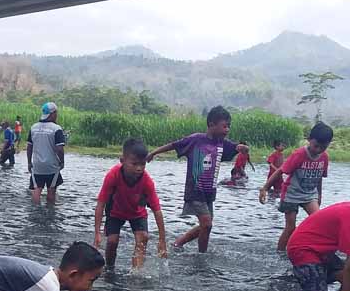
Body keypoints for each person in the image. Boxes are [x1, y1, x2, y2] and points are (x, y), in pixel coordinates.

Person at [146, 105, 246, 253]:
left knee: (207, 225)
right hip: (195, 191)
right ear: (211, 124)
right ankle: (202, 256)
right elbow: (175, 145)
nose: (227, 130)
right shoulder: (196, 140)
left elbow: (236, 147)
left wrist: (243, 148)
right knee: (207, 224)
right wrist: (154, 152)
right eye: (224, 126)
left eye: (229, 127)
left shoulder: (222, 143)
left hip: (209, 193)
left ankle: (178, 243)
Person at [94, 138, 168, 268]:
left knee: (143, 237)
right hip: (115, 211)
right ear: (122, 161)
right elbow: (101, 204)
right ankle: (109, 268)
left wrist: (162, 240)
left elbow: (157, 210)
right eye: (134, 164)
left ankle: (136, 273)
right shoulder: (113, 175)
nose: (139, 169)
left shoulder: (147, 181)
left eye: (143, 164)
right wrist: (97, 233)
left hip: (137, 212)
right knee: (112, 241)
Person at [260, 122, 333, 252]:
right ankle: (280, 252)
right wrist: (265, 188)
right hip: (291, 194)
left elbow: (320, 178)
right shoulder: (299, 154)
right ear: (309, 140)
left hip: (309, 195)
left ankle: (310, 248)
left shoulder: (324, 157)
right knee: (290, 227)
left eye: (323, 147)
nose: (318, 150)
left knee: (319, 221)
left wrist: (319, 196)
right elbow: (280, 171)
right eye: (316, 146)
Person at [28, 102, 66, 206]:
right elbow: (60, 149)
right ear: (53, 114)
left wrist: (29, 163)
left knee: (37, 189)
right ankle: (50, 211)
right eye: (56, 113)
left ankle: (35, 210)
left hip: (37, 165)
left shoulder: (33, 127)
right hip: (51, 165)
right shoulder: (56, 129)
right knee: (51, 189)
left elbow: (29, 147)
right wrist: (62, 162)